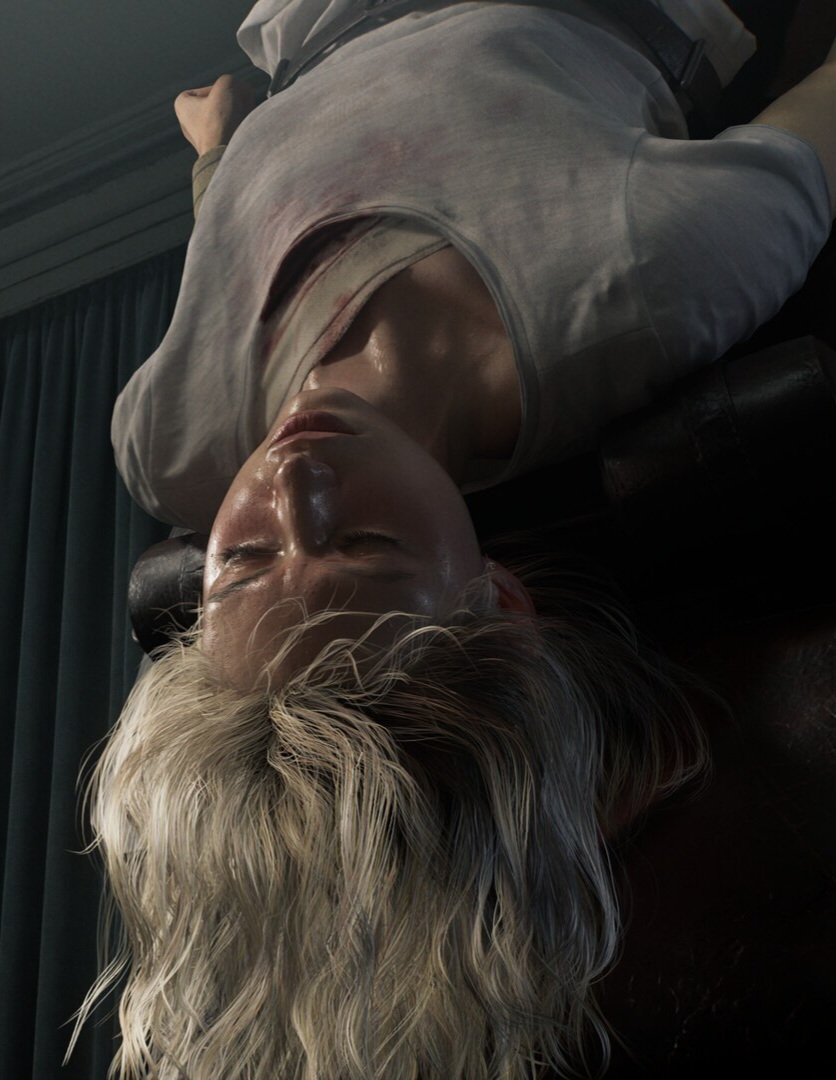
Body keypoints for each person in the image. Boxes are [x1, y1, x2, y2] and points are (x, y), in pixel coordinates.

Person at [81, 2, 836, 1077]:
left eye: (244, 560)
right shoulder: (649, 284)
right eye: (364, 546)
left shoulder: (167, 441)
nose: (294, 487)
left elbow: (226, 255)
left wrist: (222, 153)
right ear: (500, 600)